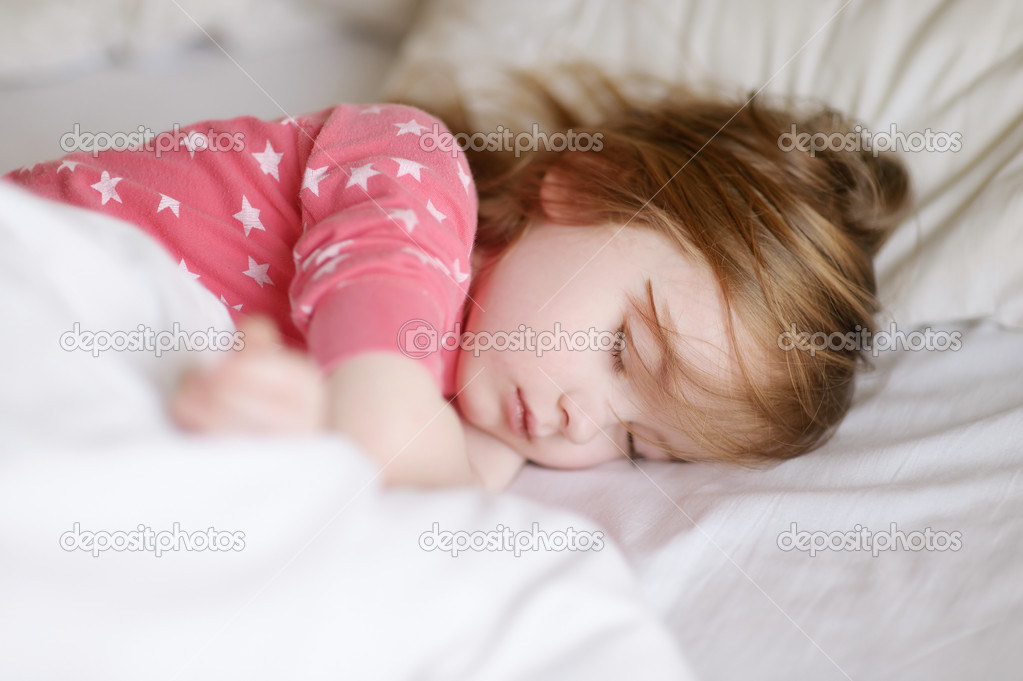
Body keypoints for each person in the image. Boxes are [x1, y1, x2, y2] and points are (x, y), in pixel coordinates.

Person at [4, 73, 910, 491]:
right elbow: (387, 412)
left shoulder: (486, 411)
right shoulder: (412, 171)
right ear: (583, 186)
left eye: (638, 445)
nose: (580, 420)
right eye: (621, 349)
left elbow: (435, 495)